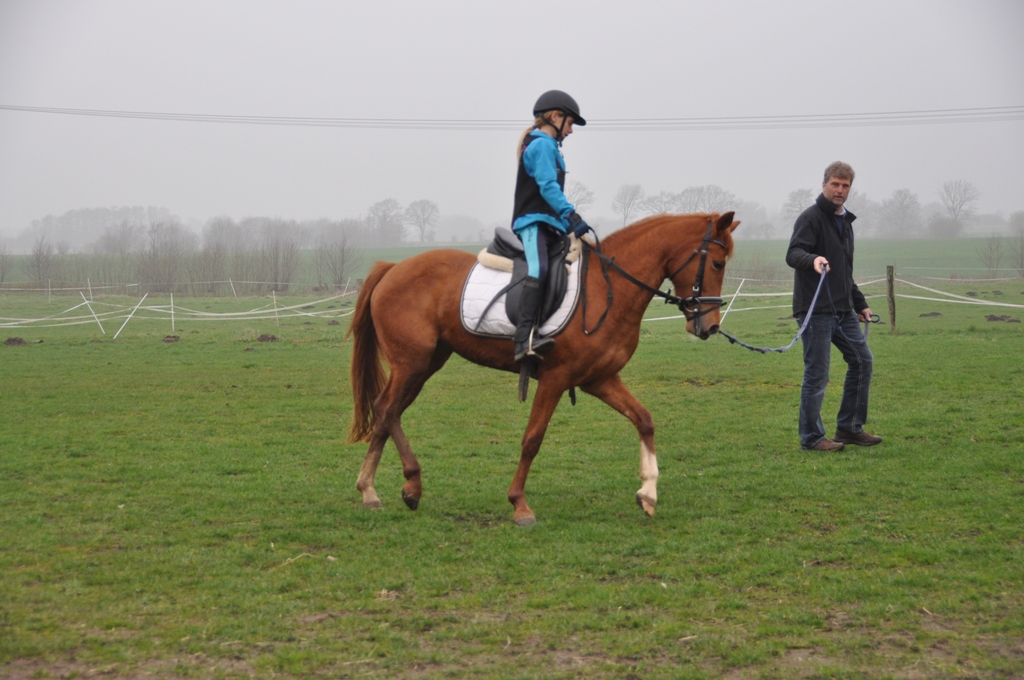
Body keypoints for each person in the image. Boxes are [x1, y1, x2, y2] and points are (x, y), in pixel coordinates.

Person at [785, 161, 882, 452]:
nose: (840, 190)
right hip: (815, 312)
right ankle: (812, 438)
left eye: (845, 186)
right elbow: (794, 253)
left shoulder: (845, 223)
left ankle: (849, 427)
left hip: (843, 311)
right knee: (817, 375)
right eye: (835, 184)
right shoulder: (810, 218)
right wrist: (812, 260)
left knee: (863, 362)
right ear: (824, 184)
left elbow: (844, 272)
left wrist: (860, 304)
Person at [509, 90, 592, 363]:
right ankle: (523, 340)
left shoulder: (550, 147)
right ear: (555, 116)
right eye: (569, 123)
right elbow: (547, 187)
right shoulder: (542, 145)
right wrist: (572, 216)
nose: (570, 130)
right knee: (539, 269)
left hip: (550, 225)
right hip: (533, 222)